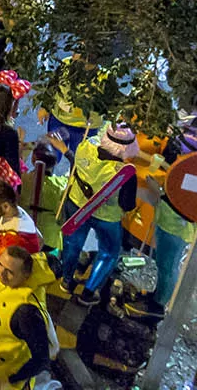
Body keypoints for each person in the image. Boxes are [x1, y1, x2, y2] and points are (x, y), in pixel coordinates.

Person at [57, 123, 139, 304]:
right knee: (109, 252)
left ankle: (66, 280)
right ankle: (89, 291)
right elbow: (127, 204)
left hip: (77, 206)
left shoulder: (85, 146)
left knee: (72, 244)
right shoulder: (126, 173)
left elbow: (75, 165)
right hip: (107, 218)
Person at [0, 246, 57, 390]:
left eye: (9, 272)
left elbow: (42, 359)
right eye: (0, 264)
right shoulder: (8, 283)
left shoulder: (26, 312)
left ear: (26, 276)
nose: (2, 273)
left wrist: (10, 379)